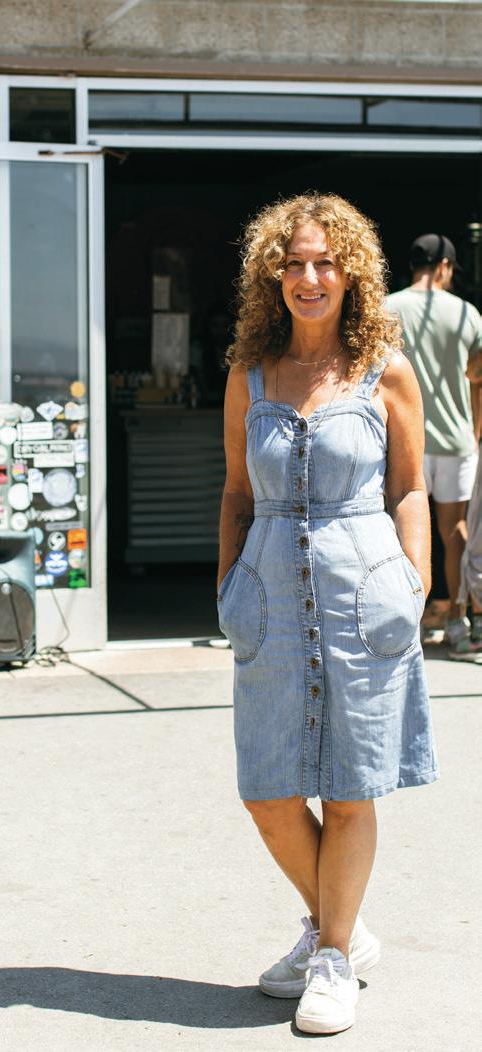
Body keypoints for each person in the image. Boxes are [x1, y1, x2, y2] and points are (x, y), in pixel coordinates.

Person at [218, 194, 438, 1035]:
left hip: (363, 594)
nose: (307, 278)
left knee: (349, 789)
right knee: (268, 791)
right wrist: (228, 586)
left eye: (323, 263)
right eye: (292, 264)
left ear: (351, 274)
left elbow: (409, 488)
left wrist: (413, 583)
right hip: (268, 595)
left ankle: (334, 954)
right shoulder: (249, 376)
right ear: (271, 277)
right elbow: (235, 493)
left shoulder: (386, 371)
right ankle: (333, 926)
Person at [386, 236, 482, 659]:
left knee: (399, 530)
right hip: (457, 439)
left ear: (413, 265)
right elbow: (478, 375)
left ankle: (406, 621)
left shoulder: (388, 308)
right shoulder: (466, 313)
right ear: (444, 266)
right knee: (454, 530)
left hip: (405, 439)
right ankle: (458, 622)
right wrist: (475, 430)